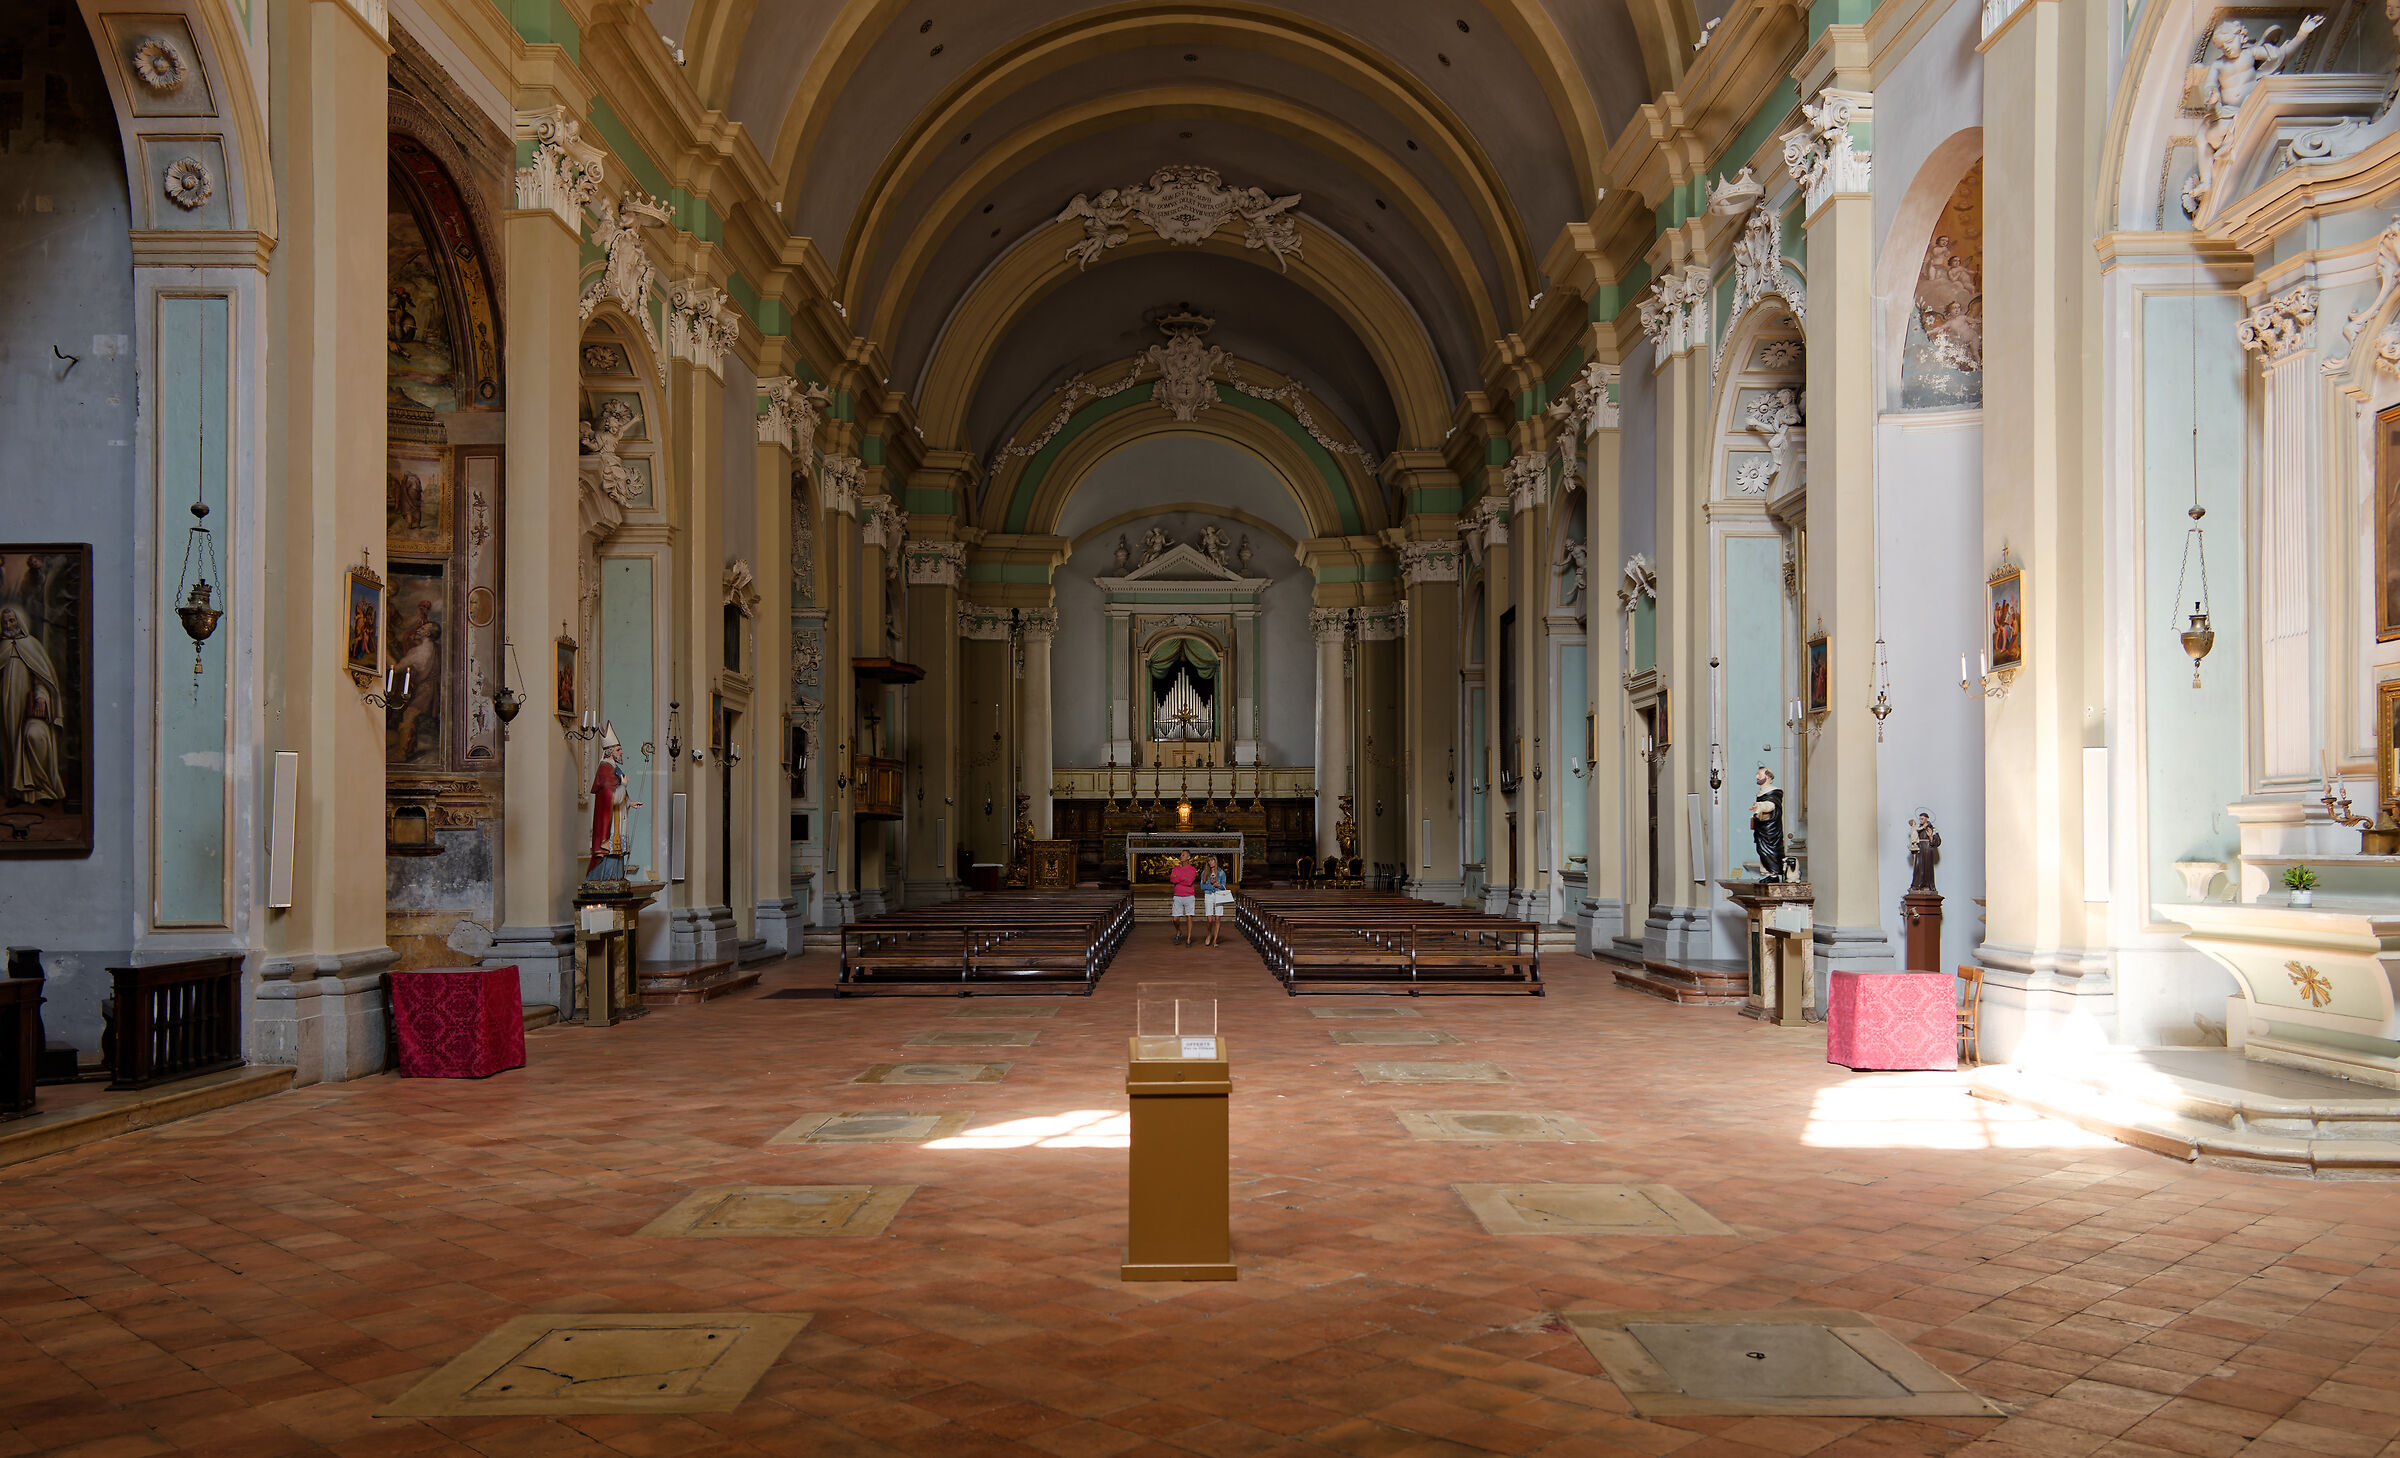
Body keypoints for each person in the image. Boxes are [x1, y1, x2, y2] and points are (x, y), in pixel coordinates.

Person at [1750, 766, 1785, 881]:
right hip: (1762, 828)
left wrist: (1759, 806)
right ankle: (1769, 873)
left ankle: (1774, 874)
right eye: (1757, 774)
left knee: (1770, 850)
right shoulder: (1761, 792)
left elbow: (1770, 805)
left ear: (1768, 776)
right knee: (1762, 850)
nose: (1757, 776)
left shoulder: (1773, 792)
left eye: (1760, 774)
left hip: (1770, 830)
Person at [1167, 851, 1200, 945]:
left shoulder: (1192, 869)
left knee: (1189, 916)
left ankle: (1189, 938)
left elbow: (1189, 882)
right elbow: (1172, 879)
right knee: (1175, 919)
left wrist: (1179, 878)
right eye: (1181, 854)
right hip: (1177, 895)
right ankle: (1178, 931)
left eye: (1183, 855)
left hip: (1189, 895)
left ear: (1188, 857)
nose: (1181, 856)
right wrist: (1183, 878)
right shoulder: (1176, 868)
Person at [1199, 856, 1231, 946]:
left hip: (1218, 895)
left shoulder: (1221, 872)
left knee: (1217, 918)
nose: (1210, 862)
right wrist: (1212, 886)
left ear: (1215, 861)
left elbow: (1224, 886)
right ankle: (1209, 934)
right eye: (1209, 861)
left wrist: (1218, 885)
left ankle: (1215, 940)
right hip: (1208, 895)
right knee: (1209, 919)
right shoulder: (1204, 872)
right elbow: (1202, 886)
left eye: (1212, 860)